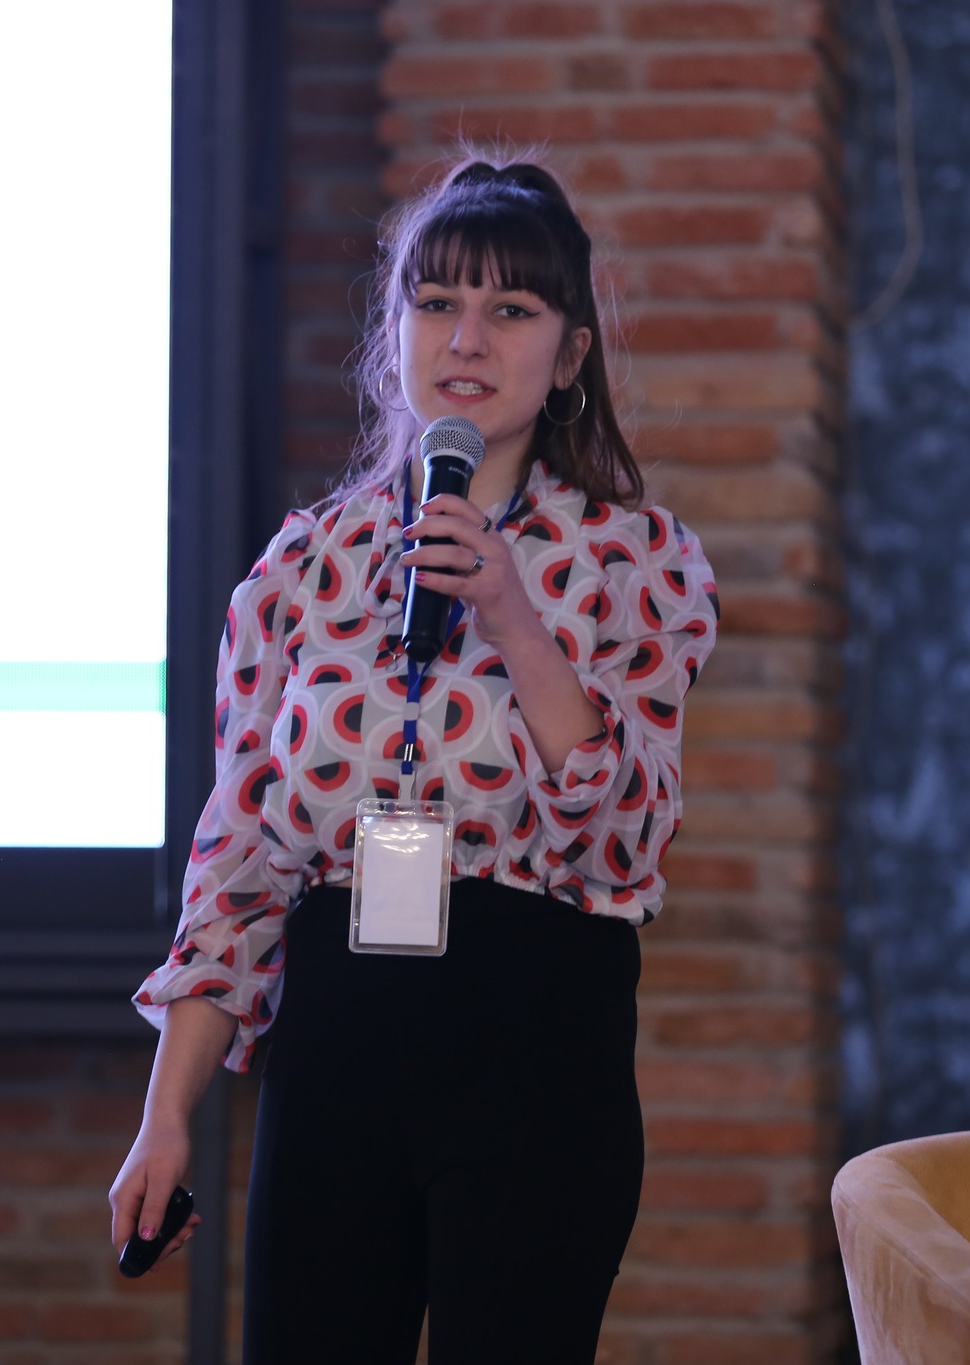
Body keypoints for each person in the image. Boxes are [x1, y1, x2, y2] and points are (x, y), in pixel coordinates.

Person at [109, 157, 718, 1364]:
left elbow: (626, 840)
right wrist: (164, 1116)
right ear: (394, 333)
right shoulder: (300, 567)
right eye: (435, 302)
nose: (465, 339)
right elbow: (237, 868)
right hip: (338, 1051)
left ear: (570, 353)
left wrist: (510, 613)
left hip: (534, 1041)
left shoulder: (635, 559)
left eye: (509, 309)